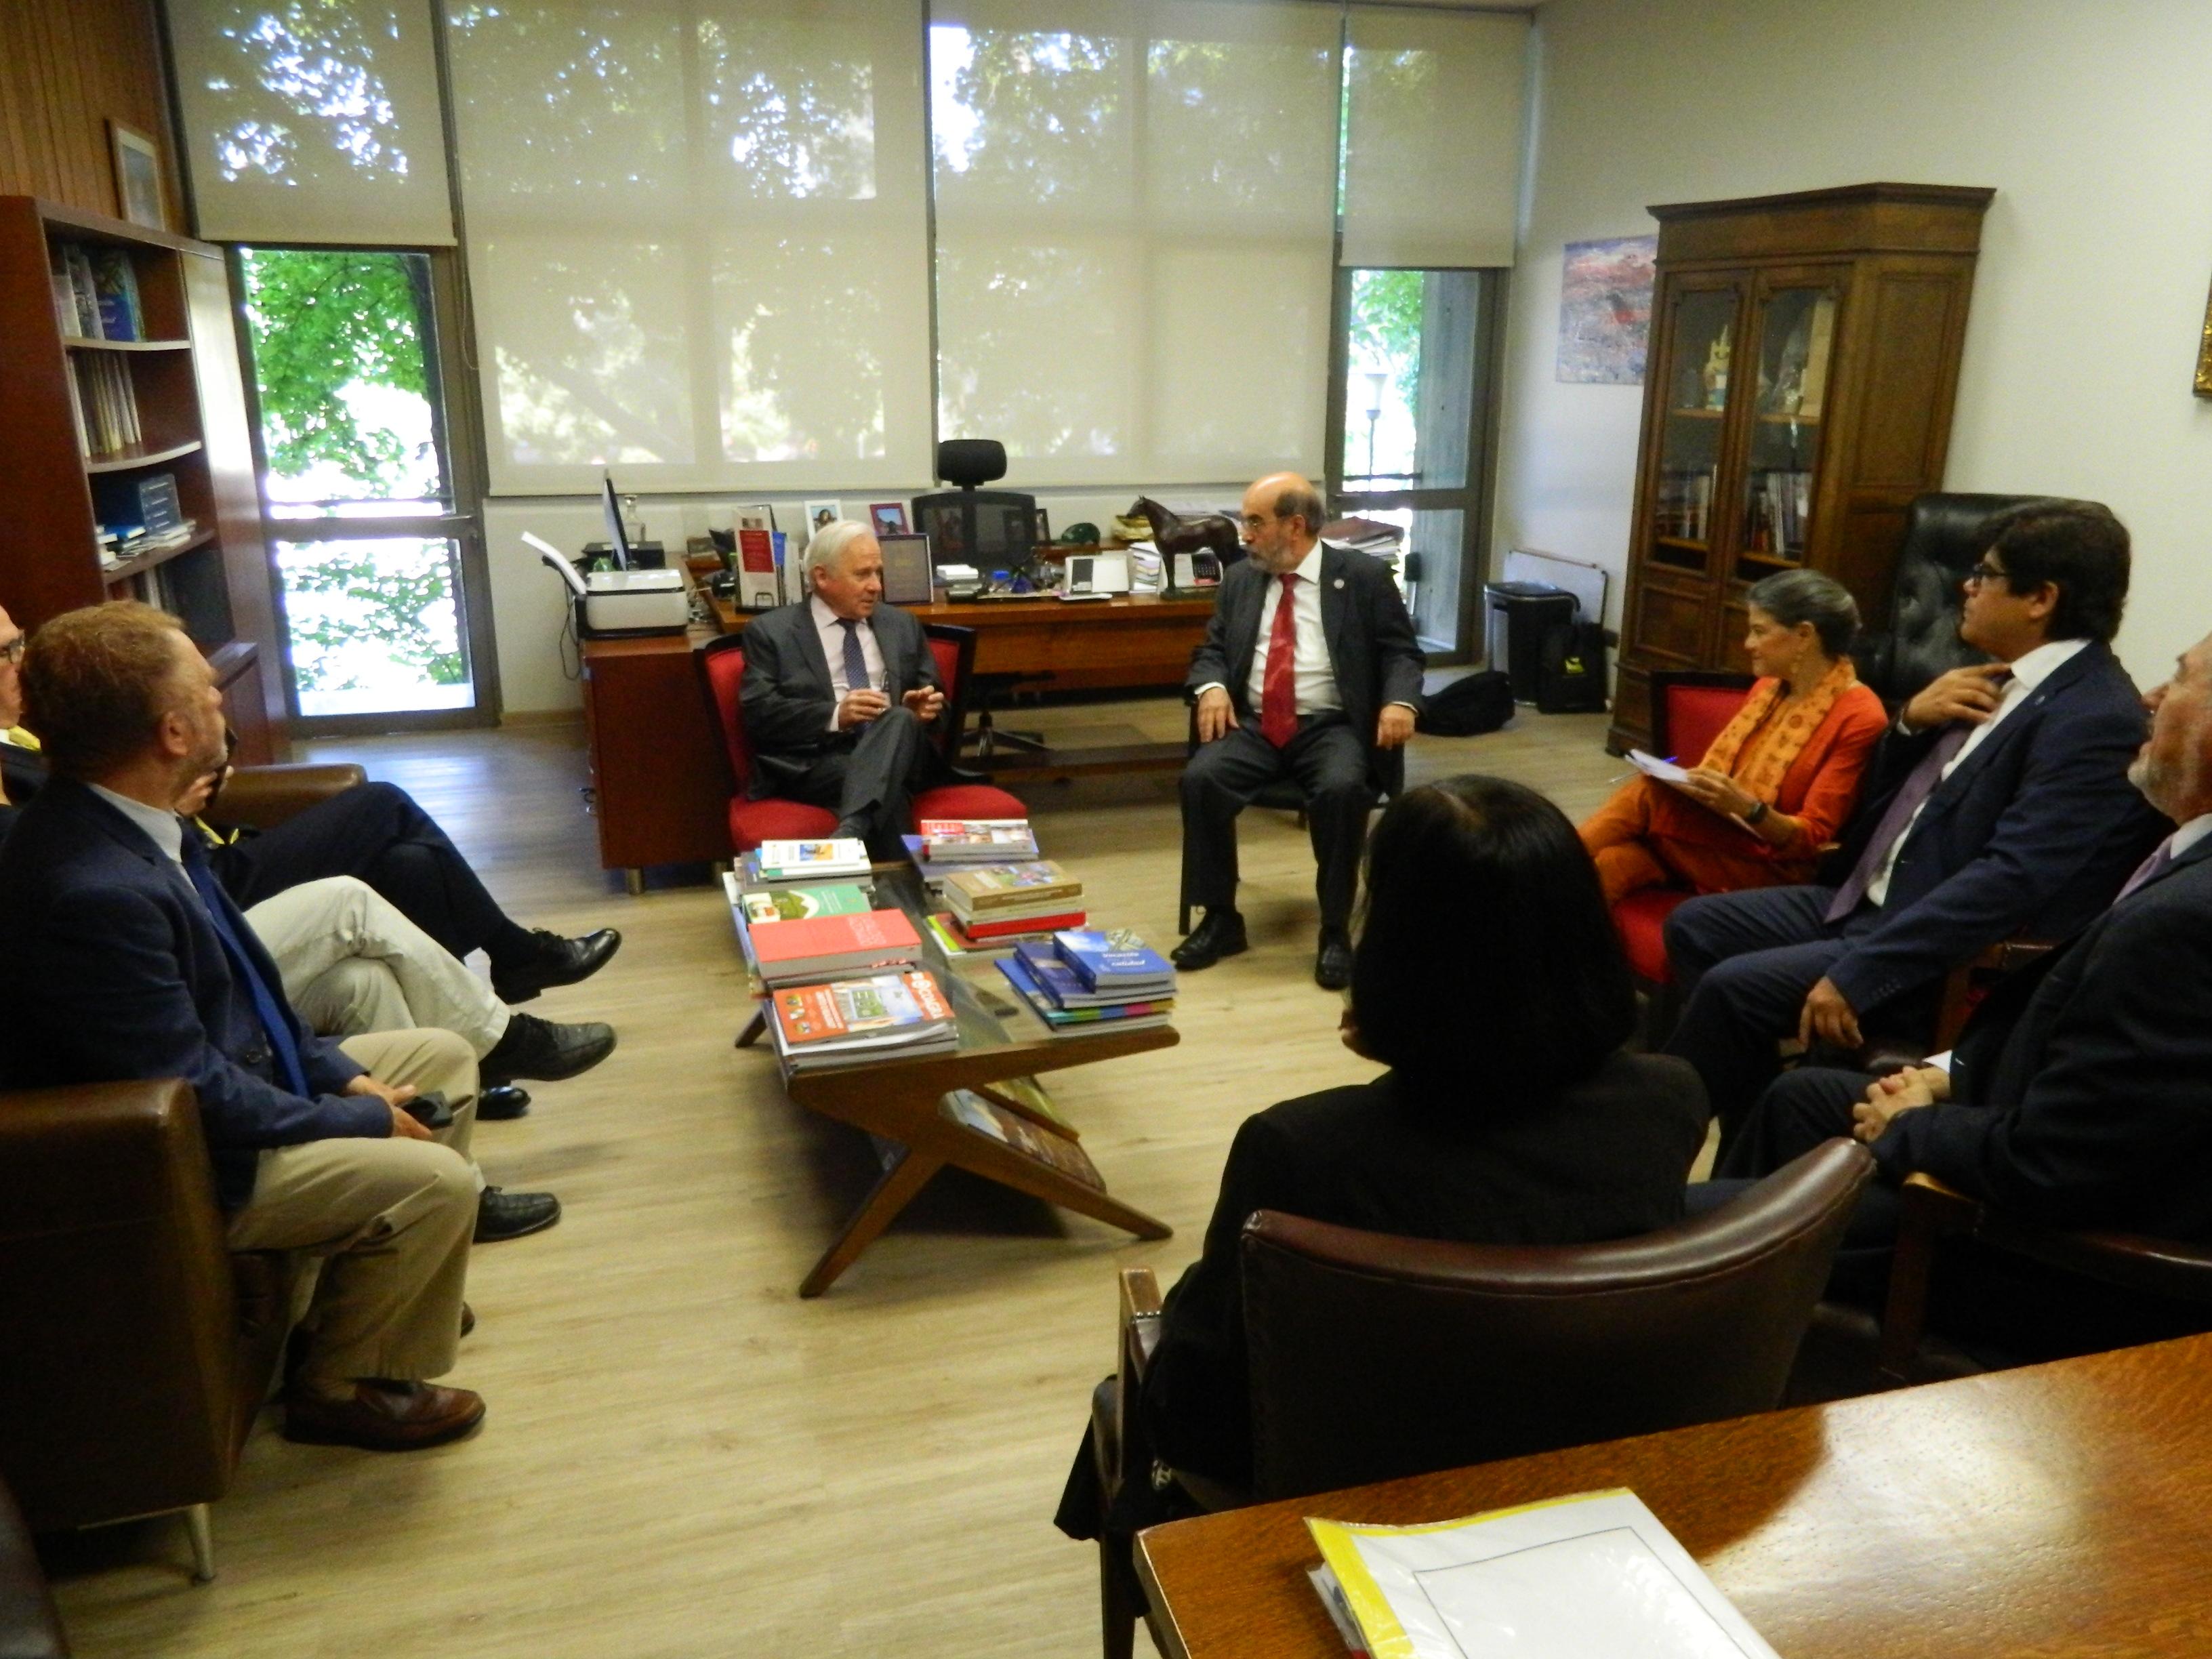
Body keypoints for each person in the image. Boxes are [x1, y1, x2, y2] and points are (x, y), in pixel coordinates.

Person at [1057, 776, 1706, 1551]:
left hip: (1356, 1519)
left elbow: (1200, 1404)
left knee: (1134, 1373)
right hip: (1581, 1482)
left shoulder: (1304, 1149)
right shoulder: (1671, 1101)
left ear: (1396, 944)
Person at [0, 603, 558, 1450]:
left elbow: (247, 982)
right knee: (432, 1181)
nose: (225, 701)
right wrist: (358, 1115)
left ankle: (383, 1300)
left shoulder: (137, 822)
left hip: (233, 1083)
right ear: (175, 731)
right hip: (184, 1163)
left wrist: (333, 1069)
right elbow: (193, 1090)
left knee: (438, 1055)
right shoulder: (92, 890)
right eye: (208, 691)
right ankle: (344, 1388)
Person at [1704, 628, 2212, 1355]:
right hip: (2015, 1123)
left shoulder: (2187, 922)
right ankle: (1741, 1356)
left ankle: (1713, 1312)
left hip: (2032, 1259)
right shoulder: (2186, 859)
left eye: (2181, 679)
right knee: (1798, 1098)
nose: (2153, 699)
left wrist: (1911, 1126)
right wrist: (1944, 1078)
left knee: (1696, 1232)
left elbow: (2055, 1168)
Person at [1662, 498, 2166, 1143]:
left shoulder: (2092, 716)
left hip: (1926, 941)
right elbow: (1892, 812)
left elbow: (2012, 878)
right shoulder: (1992, 680)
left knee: (1735, 991)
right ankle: (1749, 1122)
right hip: (1863, 895)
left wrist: (1864, 972)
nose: (1967, 586)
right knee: (1699, 925)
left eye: (1985, 574)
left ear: (2040, 598)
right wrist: (1906, 727)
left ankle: (1647, 1157)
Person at [0, 607, 609, 1114]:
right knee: (373, 829)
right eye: (6, 653)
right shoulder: (60, 820)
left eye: (21, 643)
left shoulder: (21, 740)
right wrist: (171, 805)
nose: (21, 665)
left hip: (202, 862)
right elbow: (91, 855)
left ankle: (452, 1110)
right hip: (188, 899)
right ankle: (504, 1015)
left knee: (402, 886)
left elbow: (165, 765)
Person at [1174, 472, 1426, 989]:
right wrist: (1212, 688)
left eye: (1254, 522)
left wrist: (1400, 702)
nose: (1243, 533)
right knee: (1202, 780)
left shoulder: (1362, 578)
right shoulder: (1242, 579)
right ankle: (1222, 917)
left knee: (1341, 790)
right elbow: (1212, 651)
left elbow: (1401, 651)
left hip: (1332, 725)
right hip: (1254, 724)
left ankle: (1335, 929)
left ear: (1294, 525)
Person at [1579, 569, 1887, 904]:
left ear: (1804, 635)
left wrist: (1749, 809)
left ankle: (1542, 863)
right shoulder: (1767, 688)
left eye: (1758, 631)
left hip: (1780, 867)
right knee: (1611, 866)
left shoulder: (1860, 715)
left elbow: (1813, 839)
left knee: (1647, 795)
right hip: (1723, 841)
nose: (1748, 644)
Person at [737, 519, 949, 859]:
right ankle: (889, 874)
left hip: (903, 749)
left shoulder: (901, 625)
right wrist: (837, 715)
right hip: (819, 760)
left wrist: (923, 711)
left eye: (878, 573)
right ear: (822, 577)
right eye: (862, 574)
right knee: (883, 790)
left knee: (898, 719)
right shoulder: (771, 632)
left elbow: (940, 703)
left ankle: (850, 834)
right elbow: (760, 714)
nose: (876, 586)